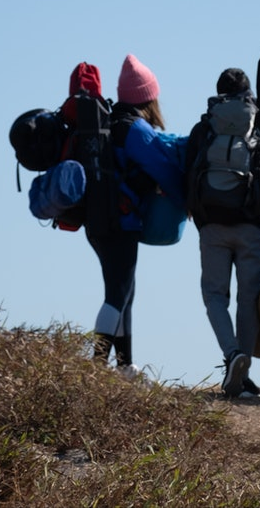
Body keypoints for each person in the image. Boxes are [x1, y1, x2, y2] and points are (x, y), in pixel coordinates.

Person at [85, 54, 187, 377]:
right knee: (118, 294)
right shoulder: (135, 129)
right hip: (122, 222)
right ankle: (97, 368)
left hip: (97, 220)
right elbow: (165, 170)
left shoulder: (112, 122)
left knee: (122, 291)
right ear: (148, 97)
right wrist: (189, 202)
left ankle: (124, 365)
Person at [186, 67, 260, 399]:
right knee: (248, 300)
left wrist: (199, 219)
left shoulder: (204, 128)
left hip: (212, 225)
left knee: (214, 296)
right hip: (252, 225)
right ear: (249, 93)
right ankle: (244, 374)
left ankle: (232, 356)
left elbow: (188, 174)